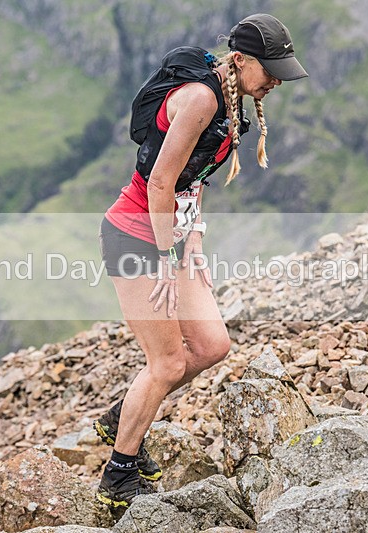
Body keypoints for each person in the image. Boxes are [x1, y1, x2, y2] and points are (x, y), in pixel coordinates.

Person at [94, 13, 308, 508]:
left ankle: (121, 416)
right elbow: (161, 183)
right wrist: (168, 259)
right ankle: (118, 476)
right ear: (241, 59)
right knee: (167, 362)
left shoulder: (233, 99)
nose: (276, 80)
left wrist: (193, 248)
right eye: (271, 69)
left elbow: (195, 179)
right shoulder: (201, 98)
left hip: (171, 237)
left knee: (212, 345)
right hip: (134, 237)